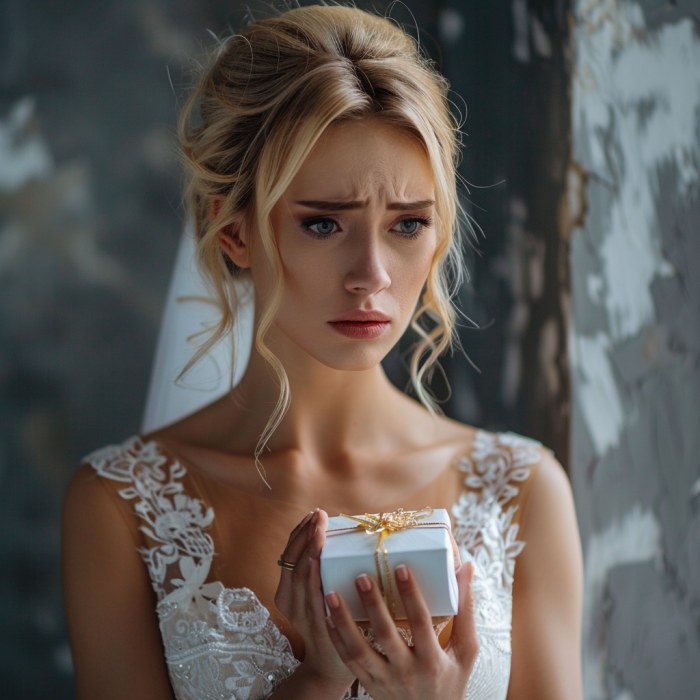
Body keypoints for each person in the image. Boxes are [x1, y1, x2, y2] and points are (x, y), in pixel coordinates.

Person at [61, 5, 583, 700]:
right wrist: (317, 682)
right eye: (325, 222)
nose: (371, 272)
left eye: (407, 224)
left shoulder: (521, 491)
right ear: (235, 231)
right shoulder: (120, 506)